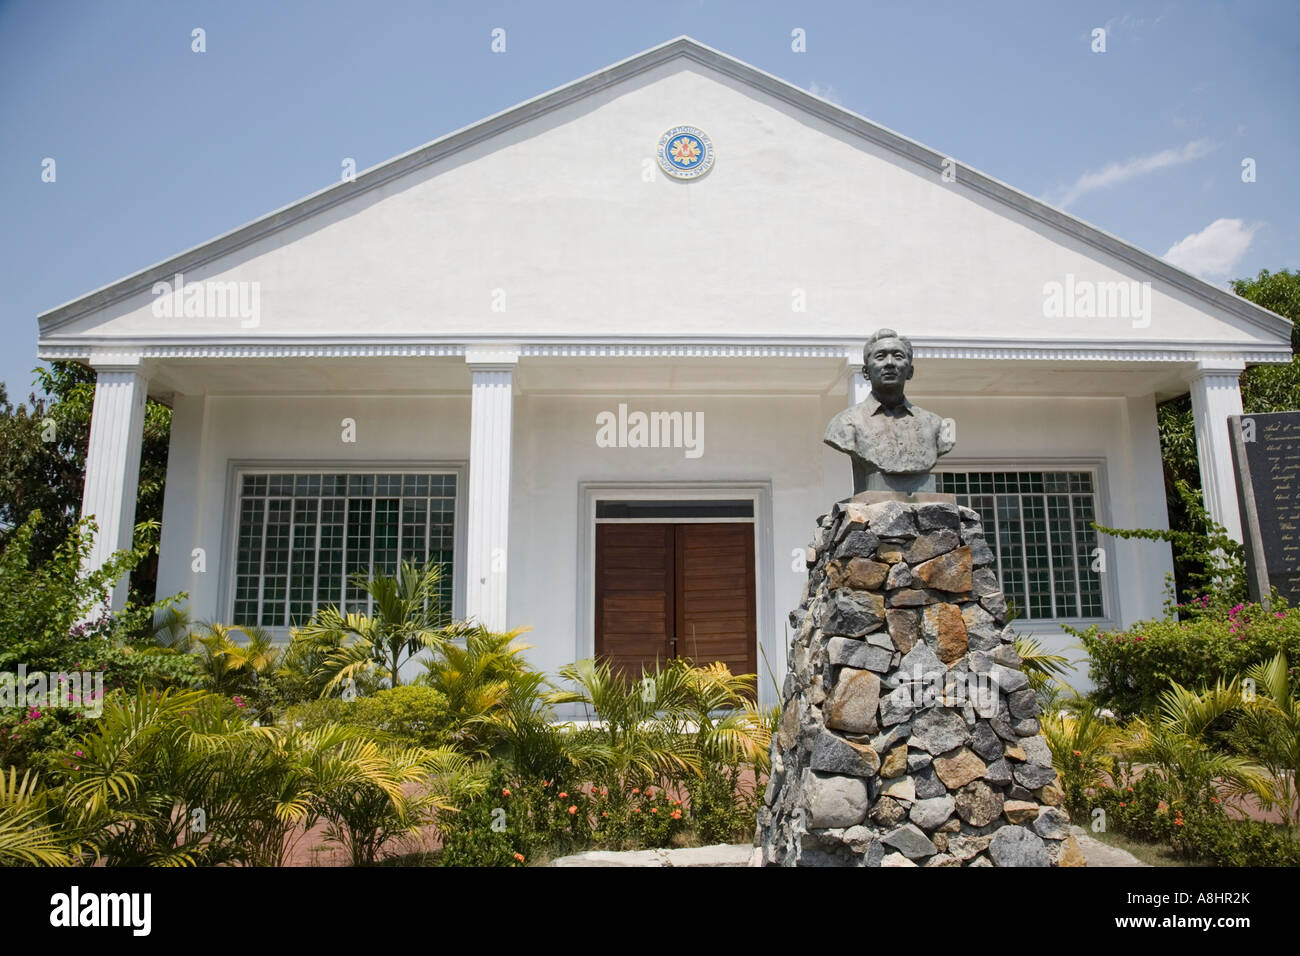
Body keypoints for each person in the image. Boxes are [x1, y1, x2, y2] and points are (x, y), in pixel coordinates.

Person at [823, 329, 956, 494]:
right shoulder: (845, 423)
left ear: (910, 372)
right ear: (866, 372)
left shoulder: (936, 424)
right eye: (880, 356)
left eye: (898, 356)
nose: (890, 363)